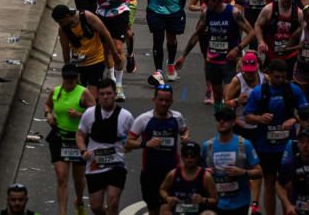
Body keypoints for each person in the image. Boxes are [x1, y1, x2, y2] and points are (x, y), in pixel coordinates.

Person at [244, 58, 309, 215]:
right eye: (277, 77)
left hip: (287, 145)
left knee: (289, 183)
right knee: (269, 183)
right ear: (269, 75)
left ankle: (289, 210)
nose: (280, 80)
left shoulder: (293, 90)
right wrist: (259, 119)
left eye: (283, 77)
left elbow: (307, 114)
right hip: (265, 145)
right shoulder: (259, 92)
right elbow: (247, 116)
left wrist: (294, 119)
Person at [175, 0, 256, 105]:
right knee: (217, 97)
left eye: (207, 1)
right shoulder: (206, 13)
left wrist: (238, 48)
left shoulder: (233, 12)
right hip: (213, 61)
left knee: (227, 97)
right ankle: (221, 121)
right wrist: (183, 56)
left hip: (229, 60)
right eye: (204, 1)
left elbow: (251, 32)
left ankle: (231, 120)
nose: (205, 4)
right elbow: (197, 35)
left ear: (217, 0)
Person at [124, 85, 189, 215]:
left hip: (172, 172)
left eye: (167, 100)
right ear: (154, 100)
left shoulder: (177, 117)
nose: (163, 103)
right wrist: (145, 144)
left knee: (168, 208)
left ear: (171, 101)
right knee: (153, 209)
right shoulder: (143, 119)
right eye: (161, 100)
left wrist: (185, 136)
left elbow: (184, 130)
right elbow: (128, 142)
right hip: (150, 172)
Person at [76, 78, 134, 215]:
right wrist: (83, 151)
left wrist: (127, 147)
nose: (105, 97)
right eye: (102, 94)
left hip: (117, 164)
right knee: (96, 207)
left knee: (113, 202)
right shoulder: (89, 114)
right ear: (97, 96)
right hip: (95, 165)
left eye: (108, 93)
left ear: (115, 94)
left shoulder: (126, 116)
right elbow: (79, 135)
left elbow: (134, 138)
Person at [44, 65, 95, 215]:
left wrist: (79, 115)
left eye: (72, 82)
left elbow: (95, 112)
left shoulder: (83, 93)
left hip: (78, 140)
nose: (69, 85)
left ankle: (79, 201)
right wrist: (48, 115)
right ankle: (62, 213)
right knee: (61, 177)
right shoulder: (56, 92)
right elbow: (48, 105)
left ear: (76, 80)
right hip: (59, 137)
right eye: (67, 82)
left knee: (78, 179)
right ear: (63, 79)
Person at [202, 105, 263, 215]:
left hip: (240, 204)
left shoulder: (245, 145)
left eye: (226, 118)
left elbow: (259, 172)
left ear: (234, 122)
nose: (221, 121)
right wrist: (204, 172)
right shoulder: (207, 146)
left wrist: (242, 172)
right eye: (218, 118)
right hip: (215, 202)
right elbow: (195, 172)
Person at [53, 5, 119, 99]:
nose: (60, 24)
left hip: (96, 60)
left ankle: (94, 111)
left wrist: (115, 53)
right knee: (80, 96)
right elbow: (65, 49)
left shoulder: (87, 17)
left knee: (92, 94)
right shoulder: (63, 29)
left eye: (61, 21)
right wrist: (67, 68)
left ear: (67, 16)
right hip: (79, 64)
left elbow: (105, 33)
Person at [158, 140, 219, 213]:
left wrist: (202, 200)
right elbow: (162, 189)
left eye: (193, 154)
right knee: (164, 208)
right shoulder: (173, 174)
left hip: (198, 212)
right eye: (186, 154)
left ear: (198, 157)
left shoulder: (206, 176)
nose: (189, 157)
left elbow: (215, 200)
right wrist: (168, 198)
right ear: (182, 157)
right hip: (178, 211)